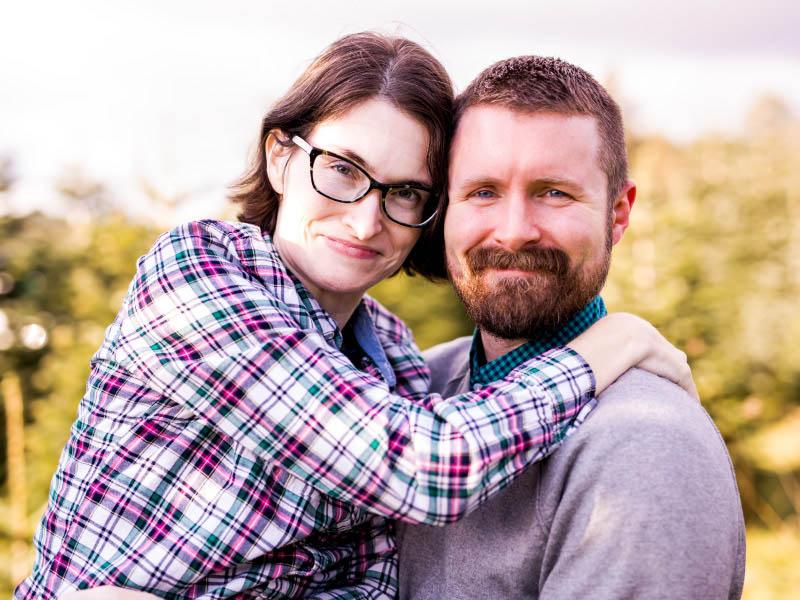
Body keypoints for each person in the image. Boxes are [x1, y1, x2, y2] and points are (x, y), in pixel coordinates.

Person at [18, 35, 695, 600]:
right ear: (282, 157)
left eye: (405, 192)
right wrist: (611, 346)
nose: (366, 218)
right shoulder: (197, 274)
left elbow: (371, 584)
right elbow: (419, 466)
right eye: (342, 170)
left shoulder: (396, 364)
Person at [397, 56, 746, 599]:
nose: (513, 232)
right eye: (482, 191)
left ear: (617, 214)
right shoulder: (415, 388)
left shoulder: (645, 445)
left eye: (554, 192)